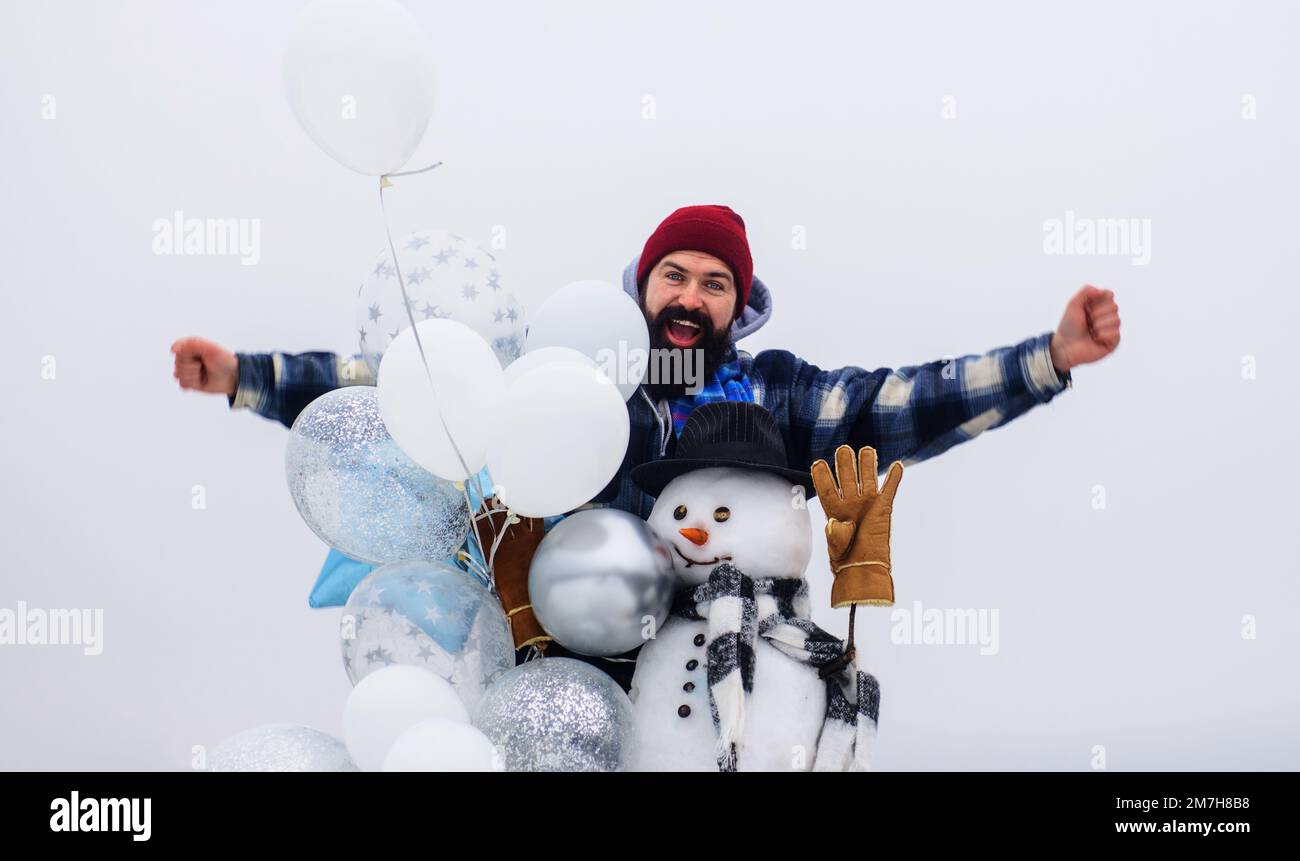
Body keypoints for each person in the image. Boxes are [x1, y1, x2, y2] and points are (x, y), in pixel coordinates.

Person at [171, 204, 1121, 685]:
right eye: (676, 274)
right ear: (642, 286)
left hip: (718, 686)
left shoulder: (776, 394)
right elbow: (411, 383)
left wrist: (1048, 357)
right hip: (565, 681)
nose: (692, 296)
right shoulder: (570, 371)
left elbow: (898, 404)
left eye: (716, 283)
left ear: (736, 308)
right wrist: (249, 376)